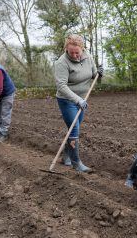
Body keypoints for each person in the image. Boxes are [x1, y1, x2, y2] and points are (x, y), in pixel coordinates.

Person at [54, 34, 103, 173]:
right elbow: (61, 86)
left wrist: (99, 73)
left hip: (83, 99)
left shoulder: (88, 56)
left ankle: (66, 157)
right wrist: (78, 100)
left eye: (77, 52)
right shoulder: (61, 63)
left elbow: (93, 74)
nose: (75, 55)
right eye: (71, 52)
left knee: (73, 128)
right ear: (66, 49)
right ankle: (76, 163)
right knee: (74, 128)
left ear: (82, 49)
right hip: (67, 100)